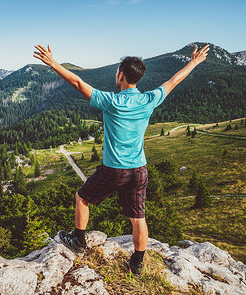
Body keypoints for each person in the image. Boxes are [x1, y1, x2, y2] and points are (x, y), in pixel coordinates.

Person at [33, 43, 210, 275]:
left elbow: (77, 83)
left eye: (117, 72)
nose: (116, 74)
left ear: (122, 75)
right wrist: (194, 62)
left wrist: (53, 63)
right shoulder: (149, 99)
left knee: (82, 198)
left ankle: (78, 241)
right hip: (139, 169)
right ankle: (136, 264)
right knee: (138, 217)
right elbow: (174, 80)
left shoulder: (111, 101)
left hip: (115, 169)